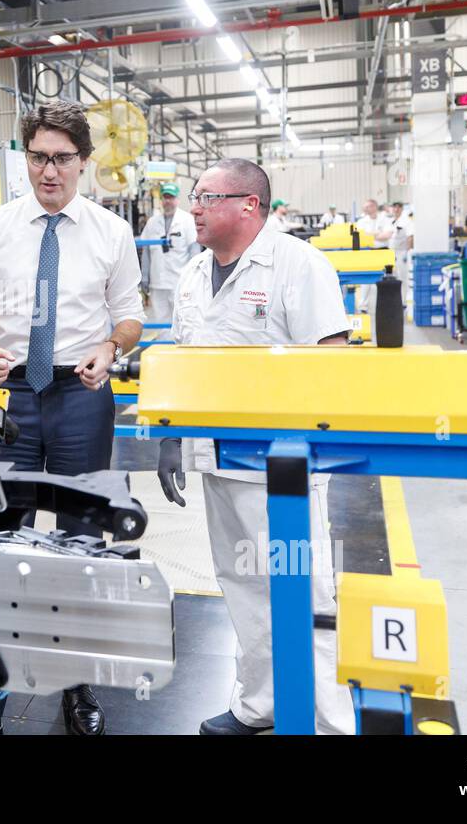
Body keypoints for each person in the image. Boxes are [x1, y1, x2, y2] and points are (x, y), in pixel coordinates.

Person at [0, 100, 144, 735]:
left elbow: (130, 312)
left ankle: (77, 682)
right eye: (38, 158)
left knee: (80, 540)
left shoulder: (111, 232)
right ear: (25, 160)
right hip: (9, 398)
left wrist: (111, 348)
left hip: (80, 396)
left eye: (63, 159)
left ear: (85, 163)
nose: (49, 171)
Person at [156, 158, 354, 736]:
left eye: (207, 197)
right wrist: (171, 434)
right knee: (241, 583)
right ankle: (260, 703)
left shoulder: (297, 265)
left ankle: (331, 722)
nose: (194, 207)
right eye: (195, 197)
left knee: (304, 586)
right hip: (217, 459)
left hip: (282, 464)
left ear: (249, 205)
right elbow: (184, 359)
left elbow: (330, 359)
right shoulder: (193, 273)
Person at [139, 183, 200, 325]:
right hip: (157, 282)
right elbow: (146, 252)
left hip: (180, 282)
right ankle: (163, 347)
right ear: (161, 200)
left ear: (177, 200)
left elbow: (194, 252)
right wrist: (145, 276)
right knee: (161, 322)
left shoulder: (187, 221)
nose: (168, 201)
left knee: (182, 321)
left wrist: (193, 279)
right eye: (165, 197)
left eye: (171, 197)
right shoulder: (152, 223)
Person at [388, 201, 414, 279]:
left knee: (403, 276)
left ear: (402, 209)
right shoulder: (390, 221)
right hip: (391, 252)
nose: (396, 209)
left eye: (399, 207)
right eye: (394, 207)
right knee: (392, 276)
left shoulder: (407, 221)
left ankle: (404, 291)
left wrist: (407, 252)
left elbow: (410, 237)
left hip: (402, 253)